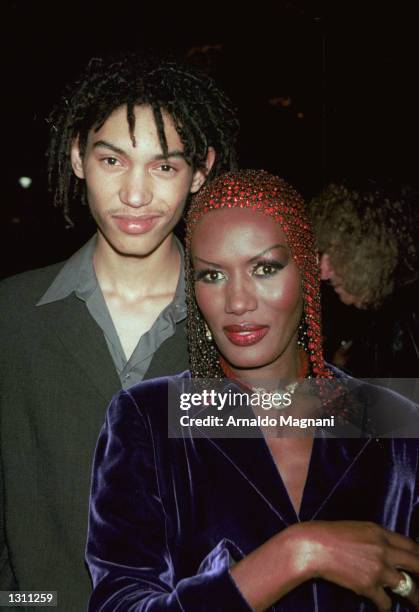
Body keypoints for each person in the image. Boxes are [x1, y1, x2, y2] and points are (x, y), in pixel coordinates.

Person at [87, 170, 419, 611]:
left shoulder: (389, 417)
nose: (239, 302)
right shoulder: (148, 419)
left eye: (265, 269)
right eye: (212, 276)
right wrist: (297, 553)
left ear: (306, 271)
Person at [0, 52, 238, 610]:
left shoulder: (238, 326)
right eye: (113, 161)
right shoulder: (11, 317)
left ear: (200, 171)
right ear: (78, 156)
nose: (136, 195)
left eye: (164, 166)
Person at [309, 183, 419, 378]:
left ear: (377, 252)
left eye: (337, 253)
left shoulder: (408, 325)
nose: (321, 272)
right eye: (321, 251)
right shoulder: (377, 314)